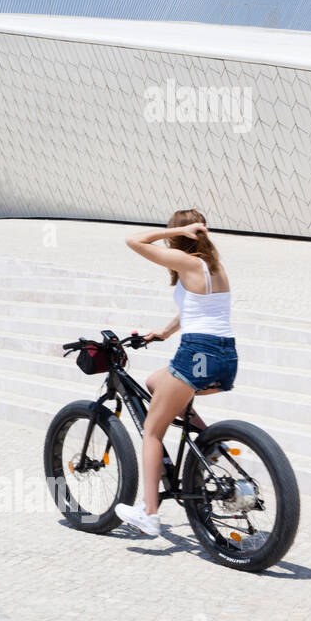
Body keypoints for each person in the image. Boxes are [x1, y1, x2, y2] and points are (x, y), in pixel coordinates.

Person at [115, 210, 237, 538]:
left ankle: (149, 513)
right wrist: (163, 333)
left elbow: (132, 240)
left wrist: (179, 230)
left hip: (198, 353)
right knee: (156, 382)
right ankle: (209, 445)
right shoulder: (214, 268)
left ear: (179, 232)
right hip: (225, 356)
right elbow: (196, 311)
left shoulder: (187, 261)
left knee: (152, 431)